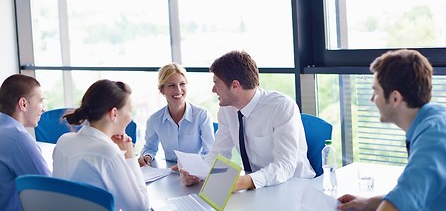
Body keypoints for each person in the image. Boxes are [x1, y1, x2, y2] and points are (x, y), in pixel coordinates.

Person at [180, 50, 315, 192]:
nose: (213, 90)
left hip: (295, 186)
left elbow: (285, 165)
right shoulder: (227, 110)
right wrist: (199, 173)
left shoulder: (281, 107)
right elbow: (218, 154)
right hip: (259, 188)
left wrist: (244, 181)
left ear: (235, 85)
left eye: (216, 83)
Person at [338, 49, 446, 211]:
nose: (372, 99)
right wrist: (368, 203)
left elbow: (402, 201)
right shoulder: (433, 120)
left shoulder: (433, 137)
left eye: (376, 91)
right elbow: (413, 194)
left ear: (395, 98)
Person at [52, 79, 150, 211]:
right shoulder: (107, 152)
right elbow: (140, 207)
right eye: (129, 110)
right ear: (114, 113)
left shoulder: (64, 140)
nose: (130, 117)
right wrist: (130, 156)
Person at [138, 63, 214, 170]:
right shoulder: (154, 120)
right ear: (162, 90)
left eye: (182, 84)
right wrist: (146, 156)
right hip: (171, 173)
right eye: (171, 85)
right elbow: (150, 147)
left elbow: (210, 153)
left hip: (196, 172)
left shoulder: (202, 115)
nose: (178, 90)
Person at [0, 74, 51, 211]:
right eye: (40, 101)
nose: (44, 108)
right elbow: (50, 190)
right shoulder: (18, 138)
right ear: (23, 104)